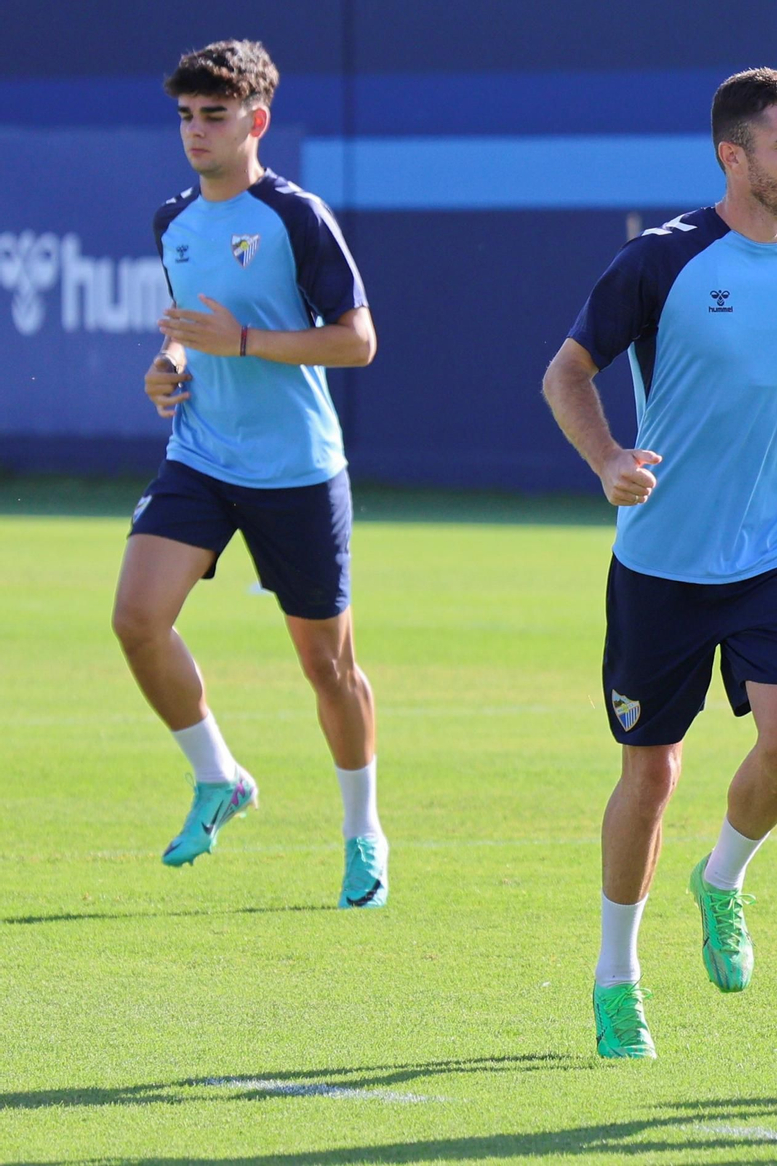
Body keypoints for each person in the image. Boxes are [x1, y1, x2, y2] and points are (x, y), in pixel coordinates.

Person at [543, 67, 777, 1059]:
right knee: (651, 774)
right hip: (663, 561)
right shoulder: (660, 260)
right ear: (733, 156)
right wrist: (608, 461)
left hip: (772, 558)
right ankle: (617, 976)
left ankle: (720, 878)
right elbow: (567, 372)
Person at [113, 40, 387, 908]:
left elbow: (358, 340)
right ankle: (219, 777)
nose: (196, 131)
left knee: (327, 667)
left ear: (255, 122)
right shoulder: (172, 220)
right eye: (187, 116)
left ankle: (363, 832)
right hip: (201, 454)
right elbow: (185, 329)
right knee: (136, 620)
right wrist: (169, 368)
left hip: (297, 470)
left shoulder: (296, 216)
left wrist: (246, 343)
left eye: (215, 115)